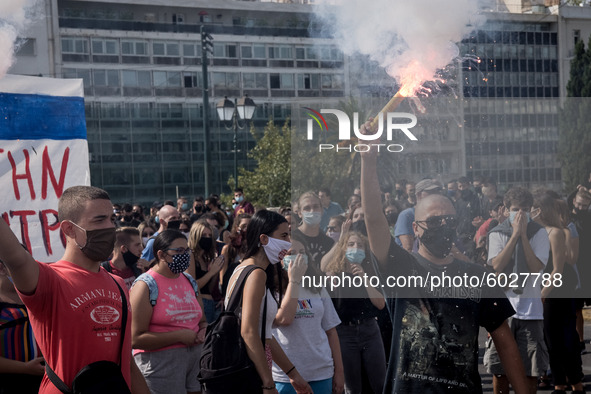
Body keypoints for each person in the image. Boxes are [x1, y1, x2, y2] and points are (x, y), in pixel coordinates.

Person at [359, 123, 529, 394]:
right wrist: (368, 161)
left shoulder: (478, 276)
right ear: (415, 227)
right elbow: (374, 219)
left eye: (448, 220)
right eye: (433, 221)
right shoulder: (401, 267)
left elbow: (505, 342)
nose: (442, 225)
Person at [0, 185, 149, 394]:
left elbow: (128, 364)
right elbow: (15, 257)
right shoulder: (48, 279)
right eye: (99, 220)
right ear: (69, 229)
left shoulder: (118, 284)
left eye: (111, 219)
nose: (110, 227)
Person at [224, 210, 312, 394]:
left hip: (250, 367)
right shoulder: (255, 274)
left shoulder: (245, 269)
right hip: (250, 372)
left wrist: (293, 374)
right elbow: (249, 332)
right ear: (264, 239)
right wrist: (267, 382)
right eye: (283, 235)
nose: (288, 243)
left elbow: (265, 335)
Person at [485, 187, 549, 394]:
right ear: (505, 210)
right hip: (503, 310)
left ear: (531, 210)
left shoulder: (539, 233)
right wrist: (514, 235)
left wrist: (523, 236)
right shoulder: (497, 233)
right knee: (500, 369)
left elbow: (535, 266)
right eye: (515, 209)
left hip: (530, 310)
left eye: (524, 209)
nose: (520, 214)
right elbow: (497, 264)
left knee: (531, 370)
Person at [130, 230, 207, 394]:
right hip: (160, 364)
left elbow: (202, 320)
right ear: (161, 254)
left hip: (194, 362)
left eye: (187, 250)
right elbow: (135, 338)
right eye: (179, 251)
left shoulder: (189, 280)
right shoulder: (145, 285)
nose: (185, 255)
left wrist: (204, 329)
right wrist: (179, 336)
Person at [273, 234, 344, 394]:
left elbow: (331, 331)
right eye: (291, 253)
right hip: (284, 377)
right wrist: (294, 281)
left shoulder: (317, 287)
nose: (298, 257)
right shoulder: (271, 290)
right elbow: (283, 319)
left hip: (321, 373)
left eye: (302, 252)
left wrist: (339, 372)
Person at [532, 192, 584, 394]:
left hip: (559, 289)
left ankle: (576, 384)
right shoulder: (536, 232)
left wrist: (542, 294)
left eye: (534, 209)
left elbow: (558, 269)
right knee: (549, 340)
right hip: (544, 289)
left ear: (542, 210)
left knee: (566, 339)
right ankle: (559, 383)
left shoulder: (556, 232)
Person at [323, 230, 387, 394]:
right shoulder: (333, 274)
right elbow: (322, 266)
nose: (355, 248)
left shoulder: (370, 272)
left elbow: (380, 304)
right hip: (344, 333)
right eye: (351, 244)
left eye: (360, 245)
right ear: (343, 248)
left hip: (370, 330)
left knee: (381, 383)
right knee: (352, 387)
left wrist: (364, 278)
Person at [0, 256, 43, 394]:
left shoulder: (39, 294)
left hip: (47, 382)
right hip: (9, 386)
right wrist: (25, 368)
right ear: (2, 269)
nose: (26, 270)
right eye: (20, 265)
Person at [187, 221, 224, 323]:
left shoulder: (204, 258)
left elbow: (209, 289)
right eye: (203, 235)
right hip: (199, 304)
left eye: (209, 235)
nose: (207, 238)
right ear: (196, 236)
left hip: (209, 303)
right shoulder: (190, 255)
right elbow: (192, 286)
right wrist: (211, 272)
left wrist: (216, 271)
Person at [394, 178, 443, 252]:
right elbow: (408, 248)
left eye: (436, 192)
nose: (435, 195)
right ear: (419, 195)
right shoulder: (407, 215)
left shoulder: (438, 216)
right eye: (431, 192)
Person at [291, 192, 335, 270]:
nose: (312, 211)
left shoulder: (329, 242)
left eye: (316, 207)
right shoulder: (292, 239)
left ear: (322, 210)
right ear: (300, 213)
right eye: (307, 208)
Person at [220, 213, 252, 299]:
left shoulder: (255, 248)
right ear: (237, 227)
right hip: (233, 292)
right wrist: (224, 296)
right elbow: (223, 274)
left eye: (250, 225)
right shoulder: (228, 249)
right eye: (244, 226)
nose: (247, 229)